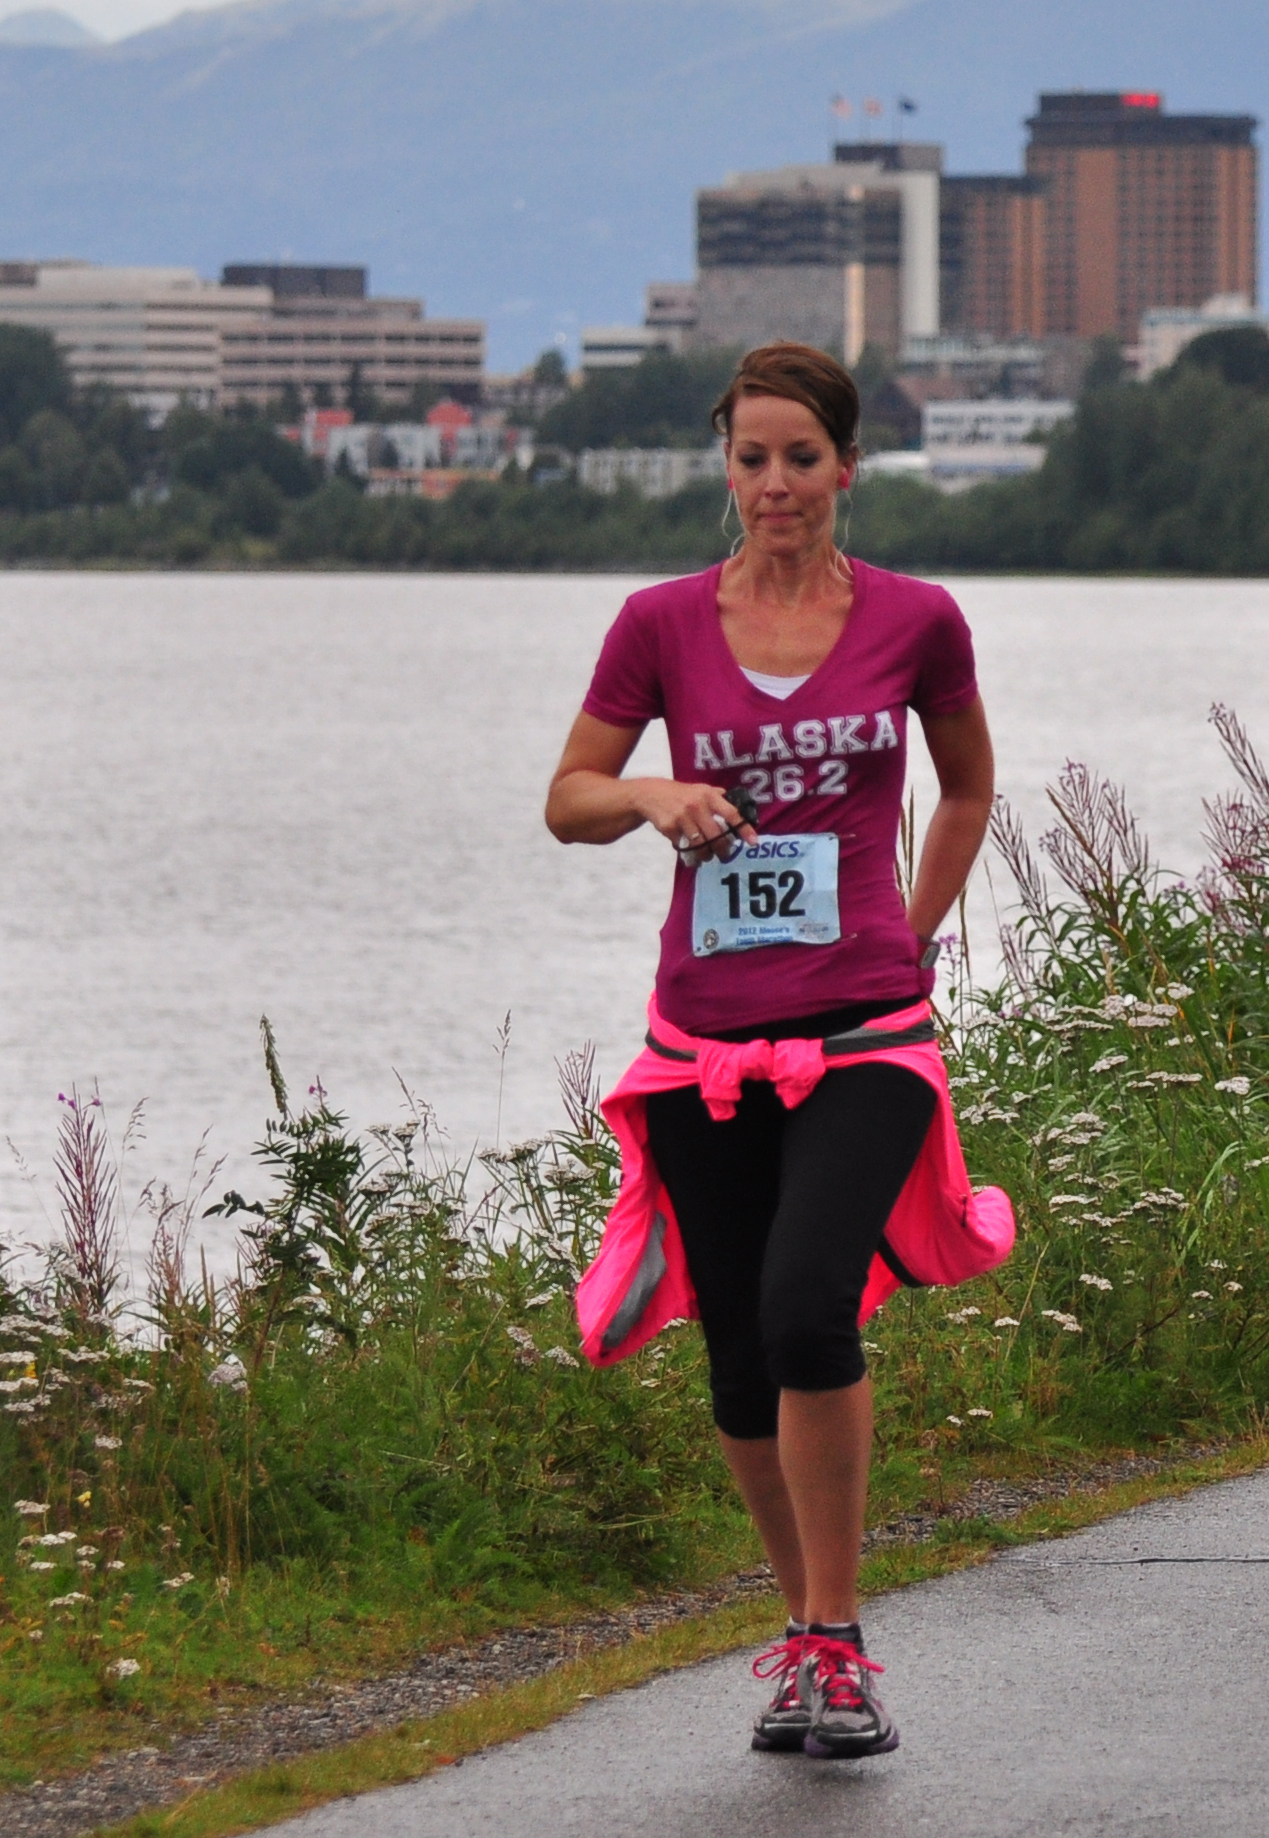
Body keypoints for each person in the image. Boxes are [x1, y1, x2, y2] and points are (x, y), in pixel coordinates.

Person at [549, 343, 1001, 1760]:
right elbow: (566, 798)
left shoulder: (919, 620)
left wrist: (913, 934)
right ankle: (799, 1622)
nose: (775, 486)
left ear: (846, 469)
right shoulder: (661, 625)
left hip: (867, 1032)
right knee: (740, 1355)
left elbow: (970, 785)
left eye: (801, 459)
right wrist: (654, 795)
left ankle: (844, 1638)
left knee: (812, 1309)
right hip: (703, 1044)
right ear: (726, 471)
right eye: (751, 460)